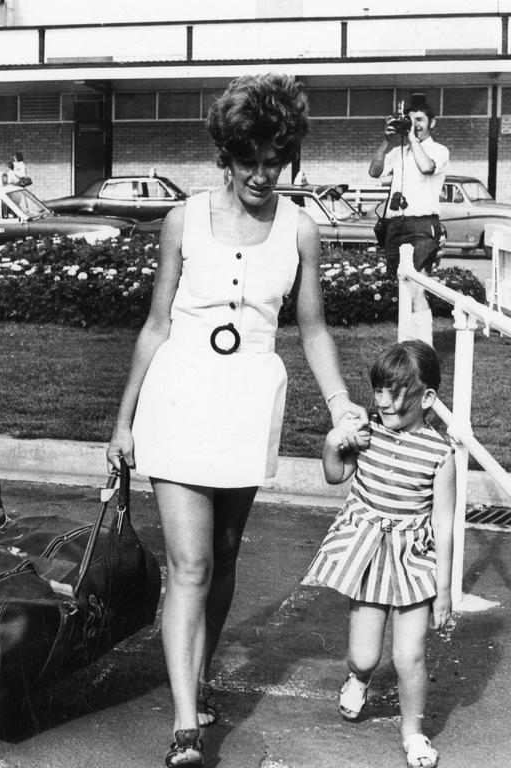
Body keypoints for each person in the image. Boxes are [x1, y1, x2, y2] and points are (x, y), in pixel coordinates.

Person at [105, 73, 367, 768]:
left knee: (222, 559)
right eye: (247, 158)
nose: (260, 173)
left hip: (250, 398)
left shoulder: (300, 229)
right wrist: (122, 422)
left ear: (289, 156)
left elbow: (311, 330)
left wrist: (340, 400)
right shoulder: (182, 219)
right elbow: (156, 325)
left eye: (273, 159)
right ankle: (186, 724)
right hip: (180, 393)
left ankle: (197, 674)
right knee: (189, 563)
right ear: (226, 153)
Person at [304, 340, 454, 768]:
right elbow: (337, 476)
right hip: (368, 554)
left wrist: (443, 590)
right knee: (365, 655)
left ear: (427, 398)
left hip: (413, 559)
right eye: (379, 390)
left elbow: (443, 522)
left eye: (396, 392)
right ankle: (358, 677)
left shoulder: (440, 454)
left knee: (409, 656)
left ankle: (414, 732)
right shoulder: (365, 430)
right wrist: (335, 442)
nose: (383, 401)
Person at [368, 96, 449, 346]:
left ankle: (424, 351)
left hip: (422, 225)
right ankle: (408, 347)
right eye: (410, 120)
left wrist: (412, 138)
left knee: (417, 288)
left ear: (432, 123)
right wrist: (388, 140)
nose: (415, 125)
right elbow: (374, 171)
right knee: (403, 286)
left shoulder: (438, 150)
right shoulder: (398, 152)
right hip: (396, 225)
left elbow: (426, 167)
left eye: (420, 120)